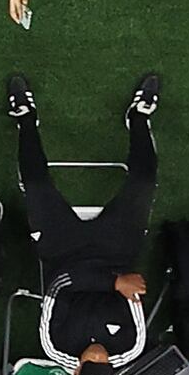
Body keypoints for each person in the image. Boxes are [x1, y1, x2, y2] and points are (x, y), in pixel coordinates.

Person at [18, 70, 163, 360]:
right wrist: (117, 281)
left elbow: (58, 283)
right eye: (104, 366)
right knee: (144, 181)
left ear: (76, 372)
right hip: (116, 253)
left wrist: (112, 284)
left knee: (35, 184)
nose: (98, 357)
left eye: (90, 366)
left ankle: (25, 118)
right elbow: (133, 289)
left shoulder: (56, 346)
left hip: (63, 252)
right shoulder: (129, 347)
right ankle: (138, 117)